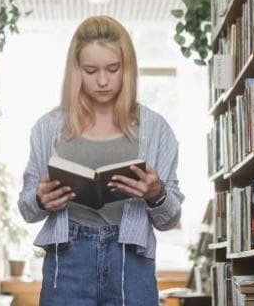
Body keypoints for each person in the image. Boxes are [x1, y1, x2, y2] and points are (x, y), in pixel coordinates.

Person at [18, 16, 184, 306]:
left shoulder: (156, 129)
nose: (103, 80)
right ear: (75, 70)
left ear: (128, 68)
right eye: (91, 70)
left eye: (113, 69)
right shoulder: (48, 128)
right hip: (67, 261)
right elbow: (27, 210)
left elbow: (170, 219)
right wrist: (41, 200)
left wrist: (156, 195)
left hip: (131, 264)